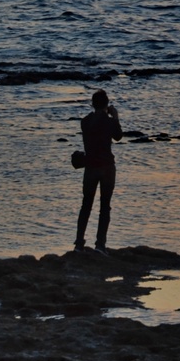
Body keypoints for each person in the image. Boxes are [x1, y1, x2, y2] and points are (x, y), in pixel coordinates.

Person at [75, 89, 122, 252]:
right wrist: (115, 117)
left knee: (86, 205)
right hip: (107, 167)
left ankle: (79, 244)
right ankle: (100, 245)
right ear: (107, 104)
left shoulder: (85, 121)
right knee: (105, 206)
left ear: (92, 104)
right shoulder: (109, 121)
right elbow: (118, 136)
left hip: (90, 167)